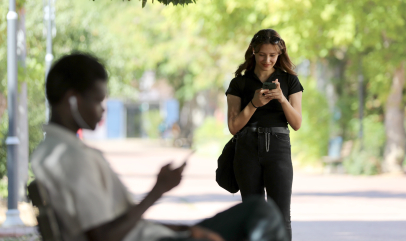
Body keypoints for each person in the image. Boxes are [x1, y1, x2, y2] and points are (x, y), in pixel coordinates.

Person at [31, 52, 289, 241]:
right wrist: (158, 190)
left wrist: (184, 230)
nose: (102, 110)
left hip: (155, 236)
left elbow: (121, 224)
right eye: (98, 101)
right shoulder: (69, 157)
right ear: (73, 100)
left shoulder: (53, 151)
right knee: (261, 213)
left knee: (257, 211)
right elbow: (103, 236)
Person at [226, 29, 304, 241]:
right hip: (247, 149)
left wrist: (281, 98)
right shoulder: (239, 83)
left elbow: (296, 123)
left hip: (278, 148)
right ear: (253, 51)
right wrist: (253, 104)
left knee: (280, 215)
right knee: (252, 214)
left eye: (273, 55)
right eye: (262, 54)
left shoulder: (290, 81)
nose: (267, 60)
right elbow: (233, 127)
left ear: (280, 54)